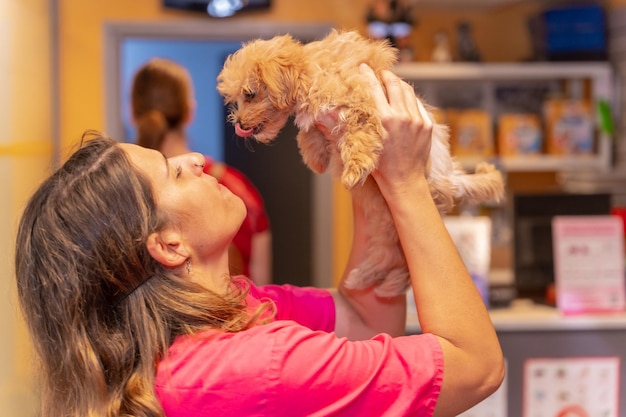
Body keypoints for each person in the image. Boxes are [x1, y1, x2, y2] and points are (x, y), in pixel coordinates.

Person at [15, 65, 504, 417]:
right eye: (172, 173)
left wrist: (365, 165)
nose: (197, 159)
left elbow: (364, 317)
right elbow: (476, 366)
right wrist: (406, 184)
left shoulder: (228, 309)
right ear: (167, 246)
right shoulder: (256, 367)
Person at [130, 57, 272, 284]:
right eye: (175, 175)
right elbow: (262, 286)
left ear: (133, 113)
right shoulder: (237, 190)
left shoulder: (123, 196)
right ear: (189, 112)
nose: (194, 166)